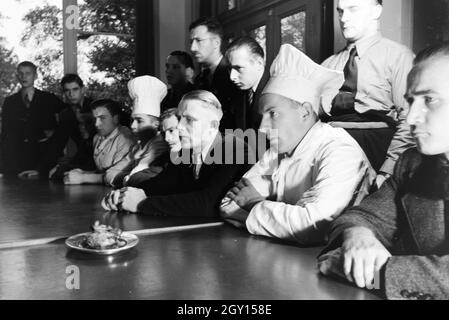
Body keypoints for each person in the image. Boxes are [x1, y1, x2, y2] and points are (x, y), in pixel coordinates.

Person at [318, 43, 449, 300]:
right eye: (410, 101)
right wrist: (358, 236)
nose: (410, 118)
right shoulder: (412, 163)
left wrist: (364, 269)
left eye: (430, 100)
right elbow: (360, 217)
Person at [220, 44, 376, 245]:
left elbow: (312, 226)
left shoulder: (338, 149)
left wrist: (254, 203)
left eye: (273, 114)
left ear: (304, 111)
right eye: (262, 116)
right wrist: (283, 217)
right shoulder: (278, 151)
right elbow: (228, 204)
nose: (262, 128)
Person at [102, 90, 252, 217]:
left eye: (189, 120)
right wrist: (124, 194)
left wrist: (141, 204)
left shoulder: (236, 149)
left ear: (213, 126)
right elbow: (161, 183)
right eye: (179, 118)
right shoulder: (187, 151)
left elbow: (209, 203)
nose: (179, 126)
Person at [321, 0, 415, 188]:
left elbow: (409, 119)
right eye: (340, 11)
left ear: (376, 11)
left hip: (375, 151)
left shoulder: (398, 56)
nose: (344, 18)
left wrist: (387, 170)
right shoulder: (327, 65)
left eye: (353, 9)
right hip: (330, 151)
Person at [101, 76, 169, 188]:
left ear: (156, 124)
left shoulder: (159, 146)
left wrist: (121, 177)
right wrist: (122, 177)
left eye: (139, 120)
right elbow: (110, 173)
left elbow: (133, 178)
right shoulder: (137, 146)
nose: (133, 125)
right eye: (132, 120)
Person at [0, 61, 64, 176]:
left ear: (35, 76)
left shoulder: (48, 98)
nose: (24, 77)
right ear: (17, 76)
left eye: (28, 73)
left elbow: (68, 116)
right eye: (21, 73)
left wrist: (54, 133)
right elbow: (5, 133)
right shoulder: (10, 102)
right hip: (18, 158)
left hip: (44, 156)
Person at [32, 74, 96, 180]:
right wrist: (40, 170)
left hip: (106, 155)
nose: (71, 94)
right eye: (67, 90)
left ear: (83, 89)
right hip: (84, 159)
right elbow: (58, 143)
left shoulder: (96, 107)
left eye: (75, 89)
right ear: (64, 93)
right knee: (56, 174)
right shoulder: (66, 114)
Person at [189, 16, 244, 131]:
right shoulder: (200, 79)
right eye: (191, 42)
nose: (192, 48)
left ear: (216, 42)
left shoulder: (233, 75)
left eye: (198, 41)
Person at [63, 99, 136, 185]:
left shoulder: (125, 138)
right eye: (94, 119)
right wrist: (83, 172)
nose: (96, 124)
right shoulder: (97, 137)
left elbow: (118, 175)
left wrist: (84, 178)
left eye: (102, 118)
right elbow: (103, 171)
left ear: (115, 119)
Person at [226, 36, 269, 132]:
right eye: (230, 69)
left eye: (238, 68)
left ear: (259, 63)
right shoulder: (237, 92)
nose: (232, 76)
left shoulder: (275, 92)